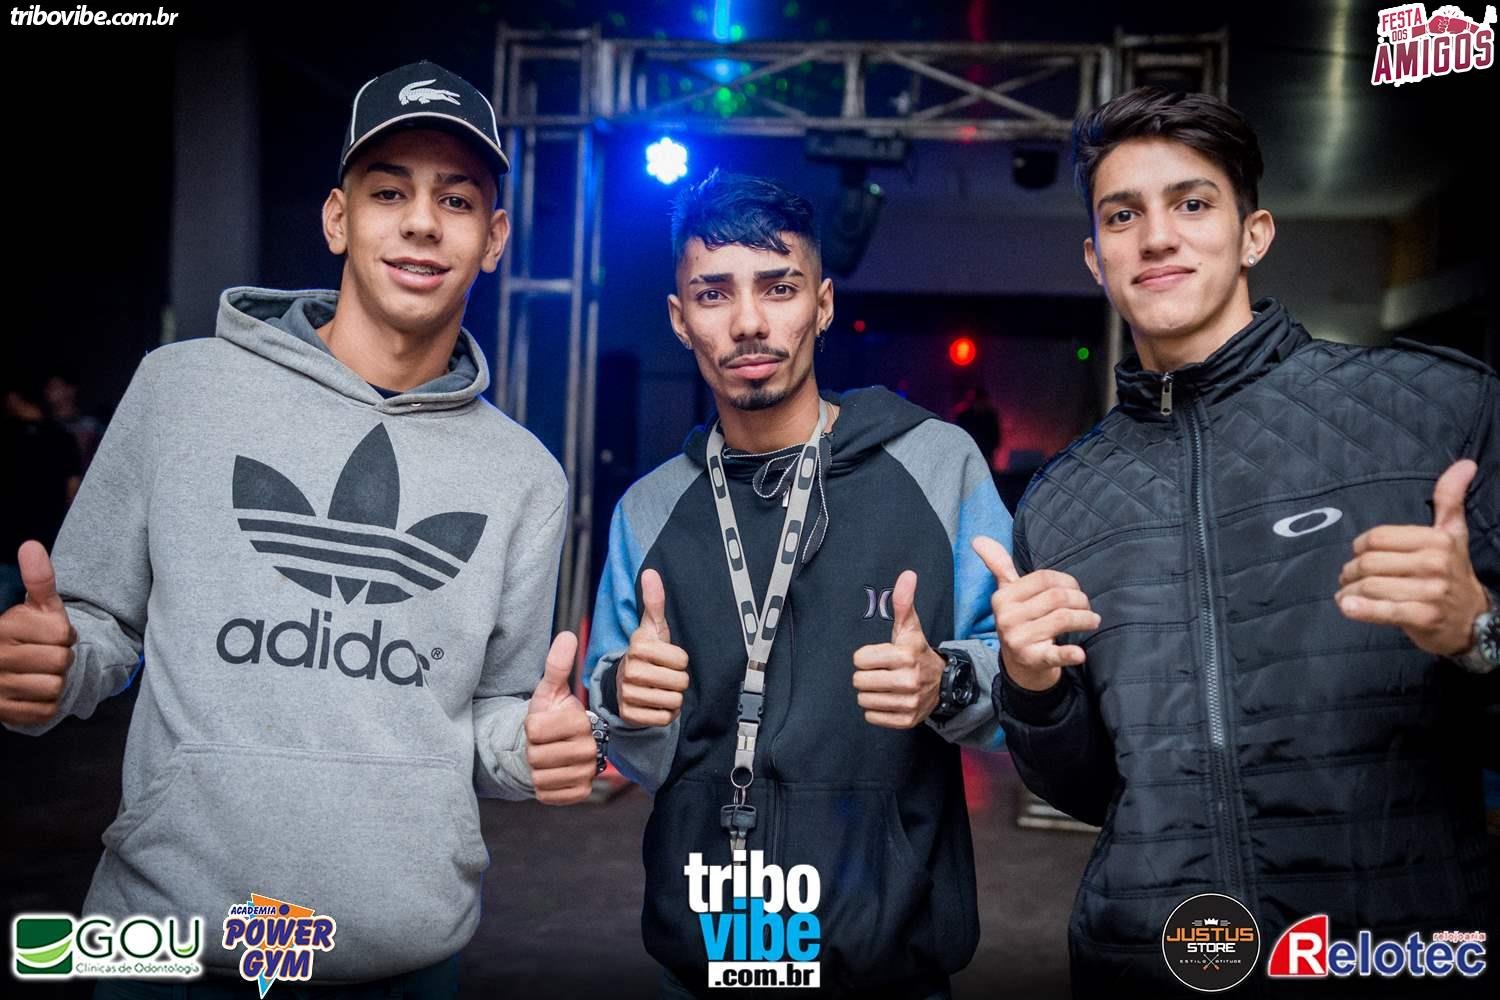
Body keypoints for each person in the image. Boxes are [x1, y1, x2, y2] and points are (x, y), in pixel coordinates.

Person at [0, 60, 602, 993]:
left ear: (494, 239)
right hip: (168, 943)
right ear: (336, 218)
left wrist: (534, 748)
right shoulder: (181, 390)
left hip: (402, 959)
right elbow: (96, 629)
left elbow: (492, 713)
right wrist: (55, 663)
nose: (421, 221)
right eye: (389, 191)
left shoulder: (525, 474)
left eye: (456, 199)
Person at [974, 87, 1499, 995]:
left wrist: (1478, 631)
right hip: (1154, 962)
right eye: (1123, 215)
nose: (1157, 237)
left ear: (1253, 234)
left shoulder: (1436, 415)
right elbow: (1090, 790)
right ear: (1096, 258)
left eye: (1191, 203)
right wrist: (1032, 689)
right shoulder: (1061, 503)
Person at [584, 170, 1012, 998]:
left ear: (821, 304)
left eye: (778, 288)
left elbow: (1020, 688)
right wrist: (628, 702)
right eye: (713, 294)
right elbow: (626, 736)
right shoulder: (650, 510)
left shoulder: (936, 465)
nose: (748, 322)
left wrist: (947, 679)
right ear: (679, 318)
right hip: (707, 960)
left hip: (888, 964)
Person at [0, 365, 83, 609]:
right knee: (48, 621)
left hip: (7, 547)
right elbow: (73, 492)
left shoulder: (6, 437)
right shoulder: (62, 437)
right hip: (50, 547)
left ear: (13, 398)